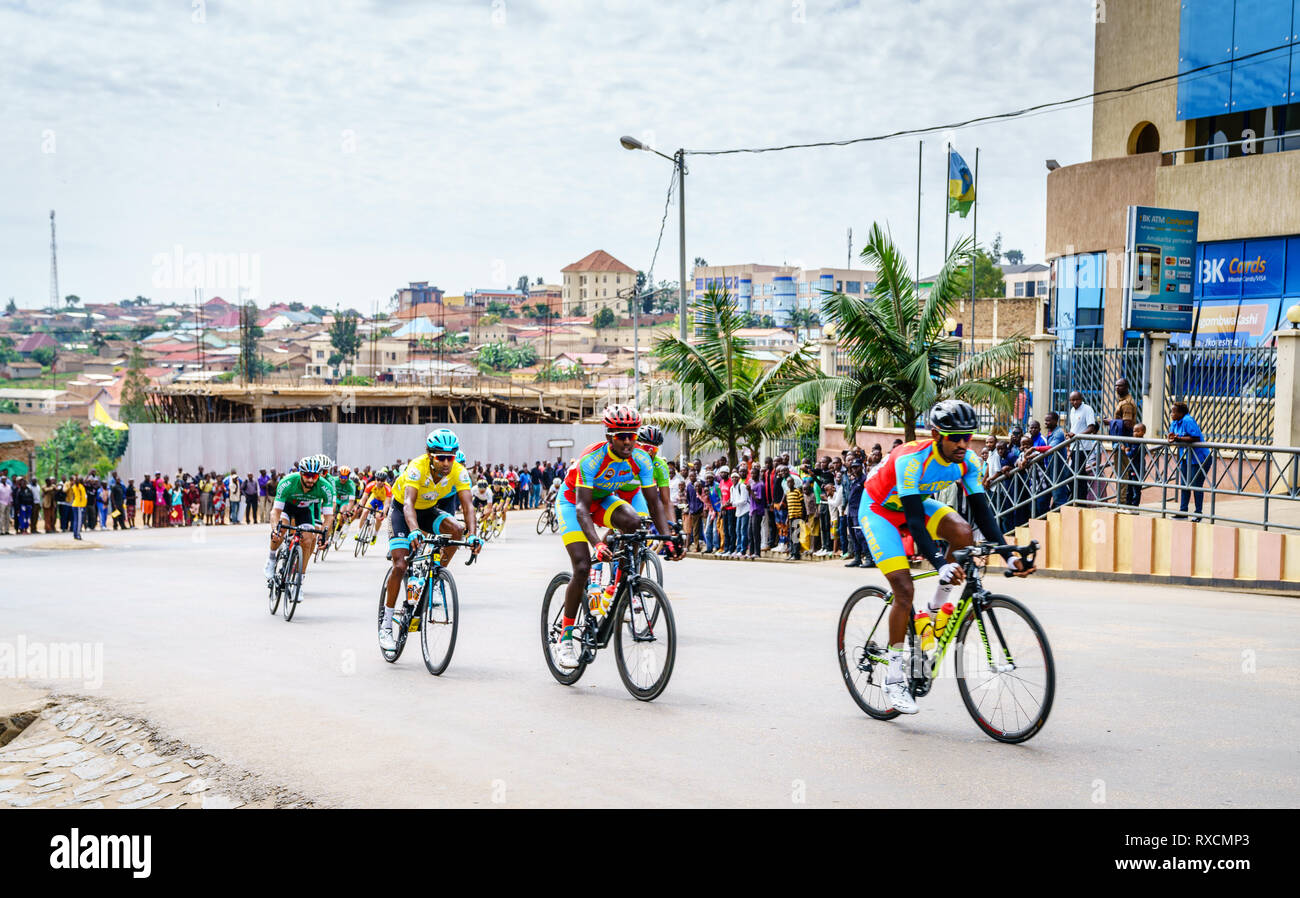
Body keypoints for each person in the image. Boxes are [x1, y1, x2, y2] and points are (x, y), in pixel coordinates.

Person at [860, 399, 1035, 714]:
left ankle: (934, 610)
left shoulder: (968, 461)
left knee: (963, 532)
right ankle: (895, 677)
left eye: (968, 436)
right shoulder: (912, 460)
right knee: (903, 589)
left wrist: (1009, 555)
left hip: (914, 504)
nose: (963, 443)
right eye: (955, 437)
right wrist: (940, 564)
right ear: (937, 434)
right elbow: (913, 522)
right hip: (880, 512)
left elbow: (983, 513)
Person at [551, 405, 681, 669]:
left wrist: (669, 538)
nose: (628, 441)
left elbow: (654, 503)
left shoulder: (642, 459)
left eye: (632, 435)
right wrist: (597, 543)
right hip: (573, 503)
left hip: (603, 500)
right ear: (609, 436)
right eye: (621, 435)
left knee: (634, 521)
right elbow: (582, 509)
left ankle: (620, 583)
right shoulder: (592, 458)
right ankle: (565, 638)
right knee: (582, 566)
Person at [380, 430, 483, 653]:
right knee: (400, 565)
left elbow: (468, 505)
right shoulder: (417, 467)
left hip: (427, 511)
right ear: (430, 455)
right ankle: (386, 625)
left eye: (450, 457)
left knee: (457, 529)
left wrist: (473, 534)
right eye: (440, 457)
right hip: (402, 511)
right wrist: (415, 530)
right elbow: (408, 503)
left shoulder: (458, 470)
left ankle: (435, 575)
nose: (446, 462)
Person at [263, 455, 335, 585]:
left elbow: (329, 516)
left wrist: (325, 534)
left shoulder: (325, 487)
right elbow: (275, 511)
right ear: (301, 473)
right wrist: (275, 529)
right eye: (307, 475)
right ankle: (272, 559)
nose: (311, 479)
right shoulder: (288, 482)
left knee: (308, 540)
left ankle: (299, 581)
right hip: (287, 507)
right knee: (281, 530)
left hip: (305, 510)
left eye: (315, 476)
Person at [1168, 402, 1211, 520]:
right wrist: (1171, 437)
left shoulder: (1187, 420)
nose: (1171, 414)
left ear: (1181, 413)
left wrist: (1179, 438)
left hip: (1200, 459)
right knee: (1184, 485)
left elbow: (1195, 437)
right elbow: (1172, 435)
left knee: (1196, 485)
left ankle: (1198, 514)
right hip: (1186, 458)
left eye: (1173, 411)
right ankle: (1183, 511)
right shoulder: (1175, 422)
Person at [1066, 391, 1099, 503]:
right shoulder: (1072, 410)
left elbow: (1091, 427)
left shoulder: (1087, 409)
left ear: (1081, 399)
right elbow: (1074, 428)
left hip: (1084, 446)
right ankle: (1078, 498)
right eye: (1072, 400)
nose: (1074, 402)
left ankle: (1080, 499)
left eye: (1076, 399)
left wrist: (1077, 435)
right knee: (1077, 474)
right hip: (1074, 446)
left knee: (1075, 474)